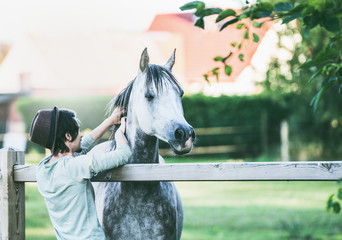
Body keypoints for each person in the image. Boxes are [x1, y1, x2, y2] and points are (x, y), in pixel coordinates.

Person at [29, 106, 131, 240]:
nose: (82, 135)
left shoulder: (42, 169)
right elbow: (123, 154)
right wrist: (119, 135)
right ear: (68, 135)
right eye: (78, 131)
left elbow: (81, 147)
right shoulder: (75, 166)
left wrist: (110, 121)